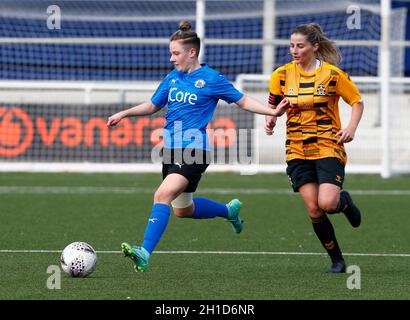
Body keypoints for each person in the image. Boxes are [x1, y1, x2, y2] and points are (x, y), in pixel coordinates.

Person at [107, 21, 289, 272]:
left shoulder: (212, 79)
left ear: (192, 52)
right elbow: (152, 105)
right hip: (170, 150)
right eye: (171, 53)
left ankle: (144, 252)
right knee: (182, 209)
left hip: (194, 150)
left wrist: (272, 111)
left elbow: (243, 100)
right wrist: (125, 113)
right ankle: (229, 211)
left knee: (161, 196)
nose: (171, 58)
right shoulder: (172, 78)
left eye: (176, 53)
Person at [265, 23, 364, 273]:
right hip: (297, 149)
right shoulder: (281, 75)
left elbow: (357, 101)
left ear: (314, 47)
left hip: (329, 144)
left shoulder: (332, 75)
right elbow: (273, 103)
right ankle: (337, 261)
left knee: (328, 203)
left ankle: (345, 202)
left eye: (300, 46)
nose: (294, 50)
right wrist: (271, 119)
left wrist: (351, 127)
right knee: (314, 208)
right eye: (291, 45)